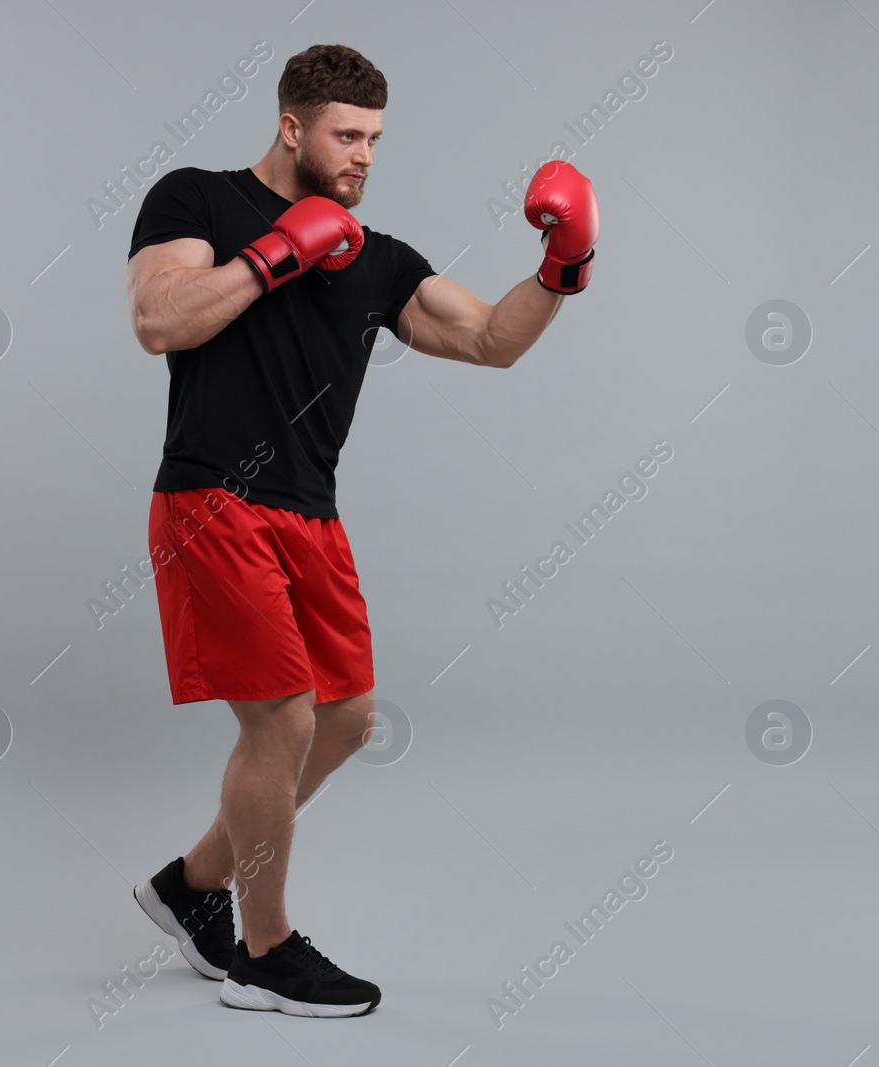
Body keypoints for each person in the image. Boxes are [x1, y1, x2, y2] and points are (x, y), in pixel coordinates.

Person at [122, 43, 597, 1018]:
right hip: (211, 499)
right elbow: (157, 319)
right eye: (346, 134)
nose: (364, 154)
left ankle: (191, 884)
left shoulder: (376, 257)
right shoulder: (195, 199)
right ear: (292, 125)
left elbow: (487, 338)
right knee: (283, 715)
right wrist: (271, 255)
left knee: (344, 718)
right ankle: (265, 948)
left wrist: (562, 264)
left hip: (310, 516)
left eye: (375, 137)